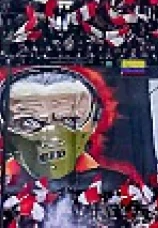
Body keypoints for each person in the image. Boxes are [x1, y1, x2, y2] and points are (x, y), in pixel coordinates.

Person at [1, 66, 130, 193]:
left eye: (69, 120)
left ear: (93, 123)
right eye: (29, 122)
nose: (52, 136)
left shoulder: (114, 184)